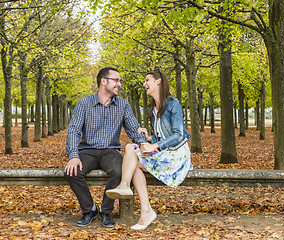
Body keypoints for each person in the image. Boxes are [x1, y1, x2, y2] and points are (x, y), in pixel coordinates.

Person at [106, 69, 193, 230]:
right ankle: (144, 208)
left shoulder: (173, 104)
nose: (144, 84)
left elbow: (179, 135)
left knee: (131, 157)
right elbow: (161, 137)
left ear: (158, 82)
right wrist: (149, 138)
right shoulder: (151, 109)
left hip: (177, 156)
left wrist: (154, 145)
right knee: (131, 150)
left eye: (147, 80)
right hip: (164, 152)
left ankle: (133, 195)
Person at [65, 67, 146, 228]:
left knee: (120, 170)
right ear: (104, 81)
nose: (119, 84)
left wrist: (145, 144)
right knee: (72, 171)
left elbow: (133, 129)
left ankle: (105, 211)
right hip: (87, 150)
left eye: (120, 81)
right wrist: (73, 155)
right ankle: (89, 209)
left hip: (110, 151)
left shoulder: (123, 104)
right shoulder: (84, 103)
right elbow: (73, 130)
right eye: (116, 80)